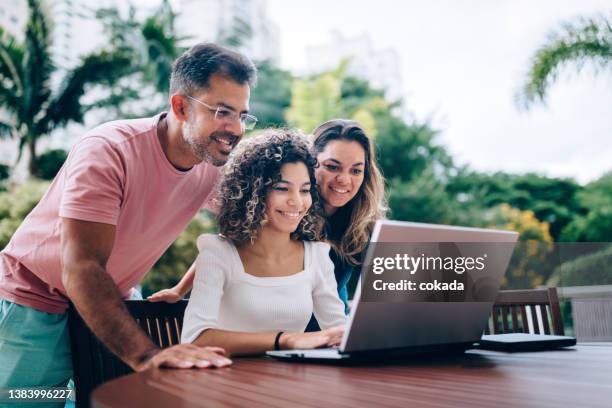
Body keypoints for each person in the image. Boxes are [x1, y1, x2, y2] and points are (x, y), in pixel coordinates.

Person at [0, 43, 257, 402]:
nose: (236, 129)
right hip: (32, 303)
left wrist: (182, 289)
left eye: (243, 116)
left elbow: (244, 231)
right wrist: (148, 355)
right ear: (181, 107)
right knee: (29, 401)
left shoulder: (211, 168)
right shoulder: (109, 149)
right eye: (223, 112)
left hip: (109, 304)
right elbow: (82, 266)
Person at [149, 119, 387, 320]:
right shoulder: (286, 212)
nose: (344, 180)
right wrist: (180, 290)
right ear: (310, 163)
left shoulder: (364, 221)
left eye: (356, 170)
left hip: (333, 334)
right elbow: (226, 244)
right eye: (332, 167)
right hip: (282, 334)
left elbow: (398, 292)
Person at [181, 129, 346, 356]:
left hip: (292, 383)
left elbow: (339, 332)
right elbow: (195, 339)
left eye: (305, 190)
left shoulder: (316, 257)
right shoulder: (218, 253)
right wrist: (285, 340)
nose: (297, 201)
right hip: (226, 382)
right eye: (281, 188)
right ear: (252, 192)